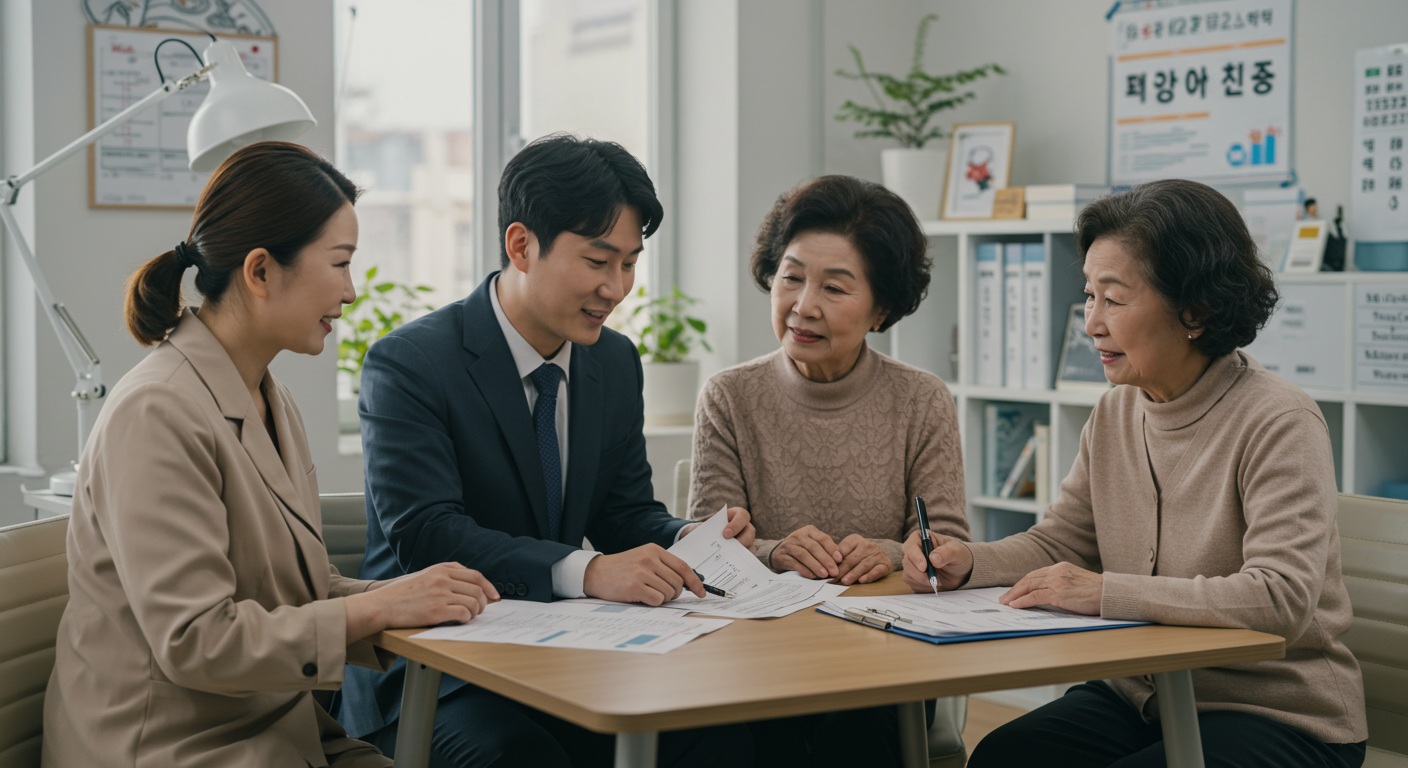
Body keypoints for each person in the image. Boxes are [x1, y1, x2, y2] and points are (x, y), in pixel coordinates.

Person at [42, 141, 499, 768]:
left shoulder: (270, 397)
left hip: (274, 732)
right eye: (339, 264)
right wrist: (377, 606)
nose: (352, 291)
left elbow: (288, 590)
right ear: (260, 272)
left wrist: (405, 595)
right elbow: (196, 640)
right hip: (172, 748)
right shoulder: (156, 411)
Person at [904, 179, 1368, 768]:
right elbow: (1061, 541)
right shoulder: (1115, 411)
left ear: (1195, 308)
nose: (1090, 323)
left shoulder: (1280, 420)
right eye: (1088, 296)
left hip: (1277, 714)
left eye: (1114, 300)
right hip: (1143, 697)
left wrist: (1105, 592)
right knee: (1006, 757)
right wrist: (969, 561)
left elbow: (1282, 597)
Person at [335, 133, 754, 767]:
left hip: (567, 658)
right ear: (521, 245)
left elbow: (623, 516)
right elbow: (427, 534)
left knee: (728, 732)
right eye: (597, 260)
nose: (617, 288)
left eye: (630, 263)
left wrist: (692, 536)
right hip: (438, 673)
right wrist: (587, 571)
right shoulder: (412, 362)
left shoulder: (613, 361)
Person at [689, 174, 968, 766]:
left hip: (883, 654)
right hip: (757, 653)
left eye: (834, 288)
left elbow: (947, 544)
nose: (803, 305)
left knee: (859, 732)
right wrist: (773, 551)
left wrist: (892, 552)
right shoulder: (730, 396)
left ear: (881, 308)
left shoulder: (922, 399)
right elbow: (706, 548)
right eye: (791, 276)